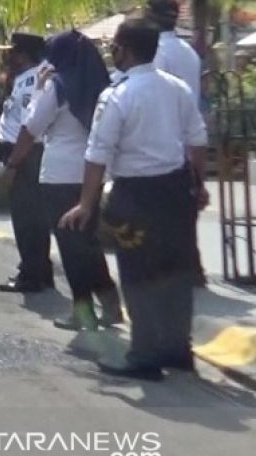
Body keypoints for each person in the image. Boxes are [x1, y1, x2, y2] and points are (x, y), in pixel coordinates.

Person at [60, 20, 209, 380]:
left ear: (124, 50)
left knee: (139, 273)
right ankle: (178, 350)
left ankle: (144, 354)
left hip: (135, 194)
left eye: (115, 47)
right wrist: (198, 185)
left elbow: (97, 154)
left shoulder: (118, 95)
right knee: (176, 270)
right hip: (175, 191)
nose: (112, 52)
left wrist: (85, 203)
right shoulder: (177, 89)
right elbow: (198, 141)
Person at [3, 30, 123, 331]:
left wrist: (14, 162)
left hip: (58, 175)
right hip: (90, 173)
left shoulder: (57, 87)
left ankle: (83, 312)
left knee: (71, 247)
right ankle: (108, 299)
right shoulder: (100, 86)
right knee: (87, 240)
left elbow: (32, 126)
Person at [146, 0, 208, 287]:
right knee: (185, 215)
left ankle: (173, 274)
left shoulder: (156, 53)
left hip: (165, 143)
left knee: (162, 217)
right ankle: (192, 270)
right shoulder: (188, 52)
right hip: (189, 141)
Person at [0, 33, 54, 294]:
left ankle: (31, 274)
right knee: (33, 217)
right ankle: (40, 270)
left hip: (26, 154)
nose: (10, 57)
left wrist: (14, 164)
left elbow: (31, 126)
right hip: (24, 152)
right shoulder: (26, 77)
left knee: (26, 218)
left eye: (14, 52)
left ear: (24, 54)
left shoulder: (34, 79)